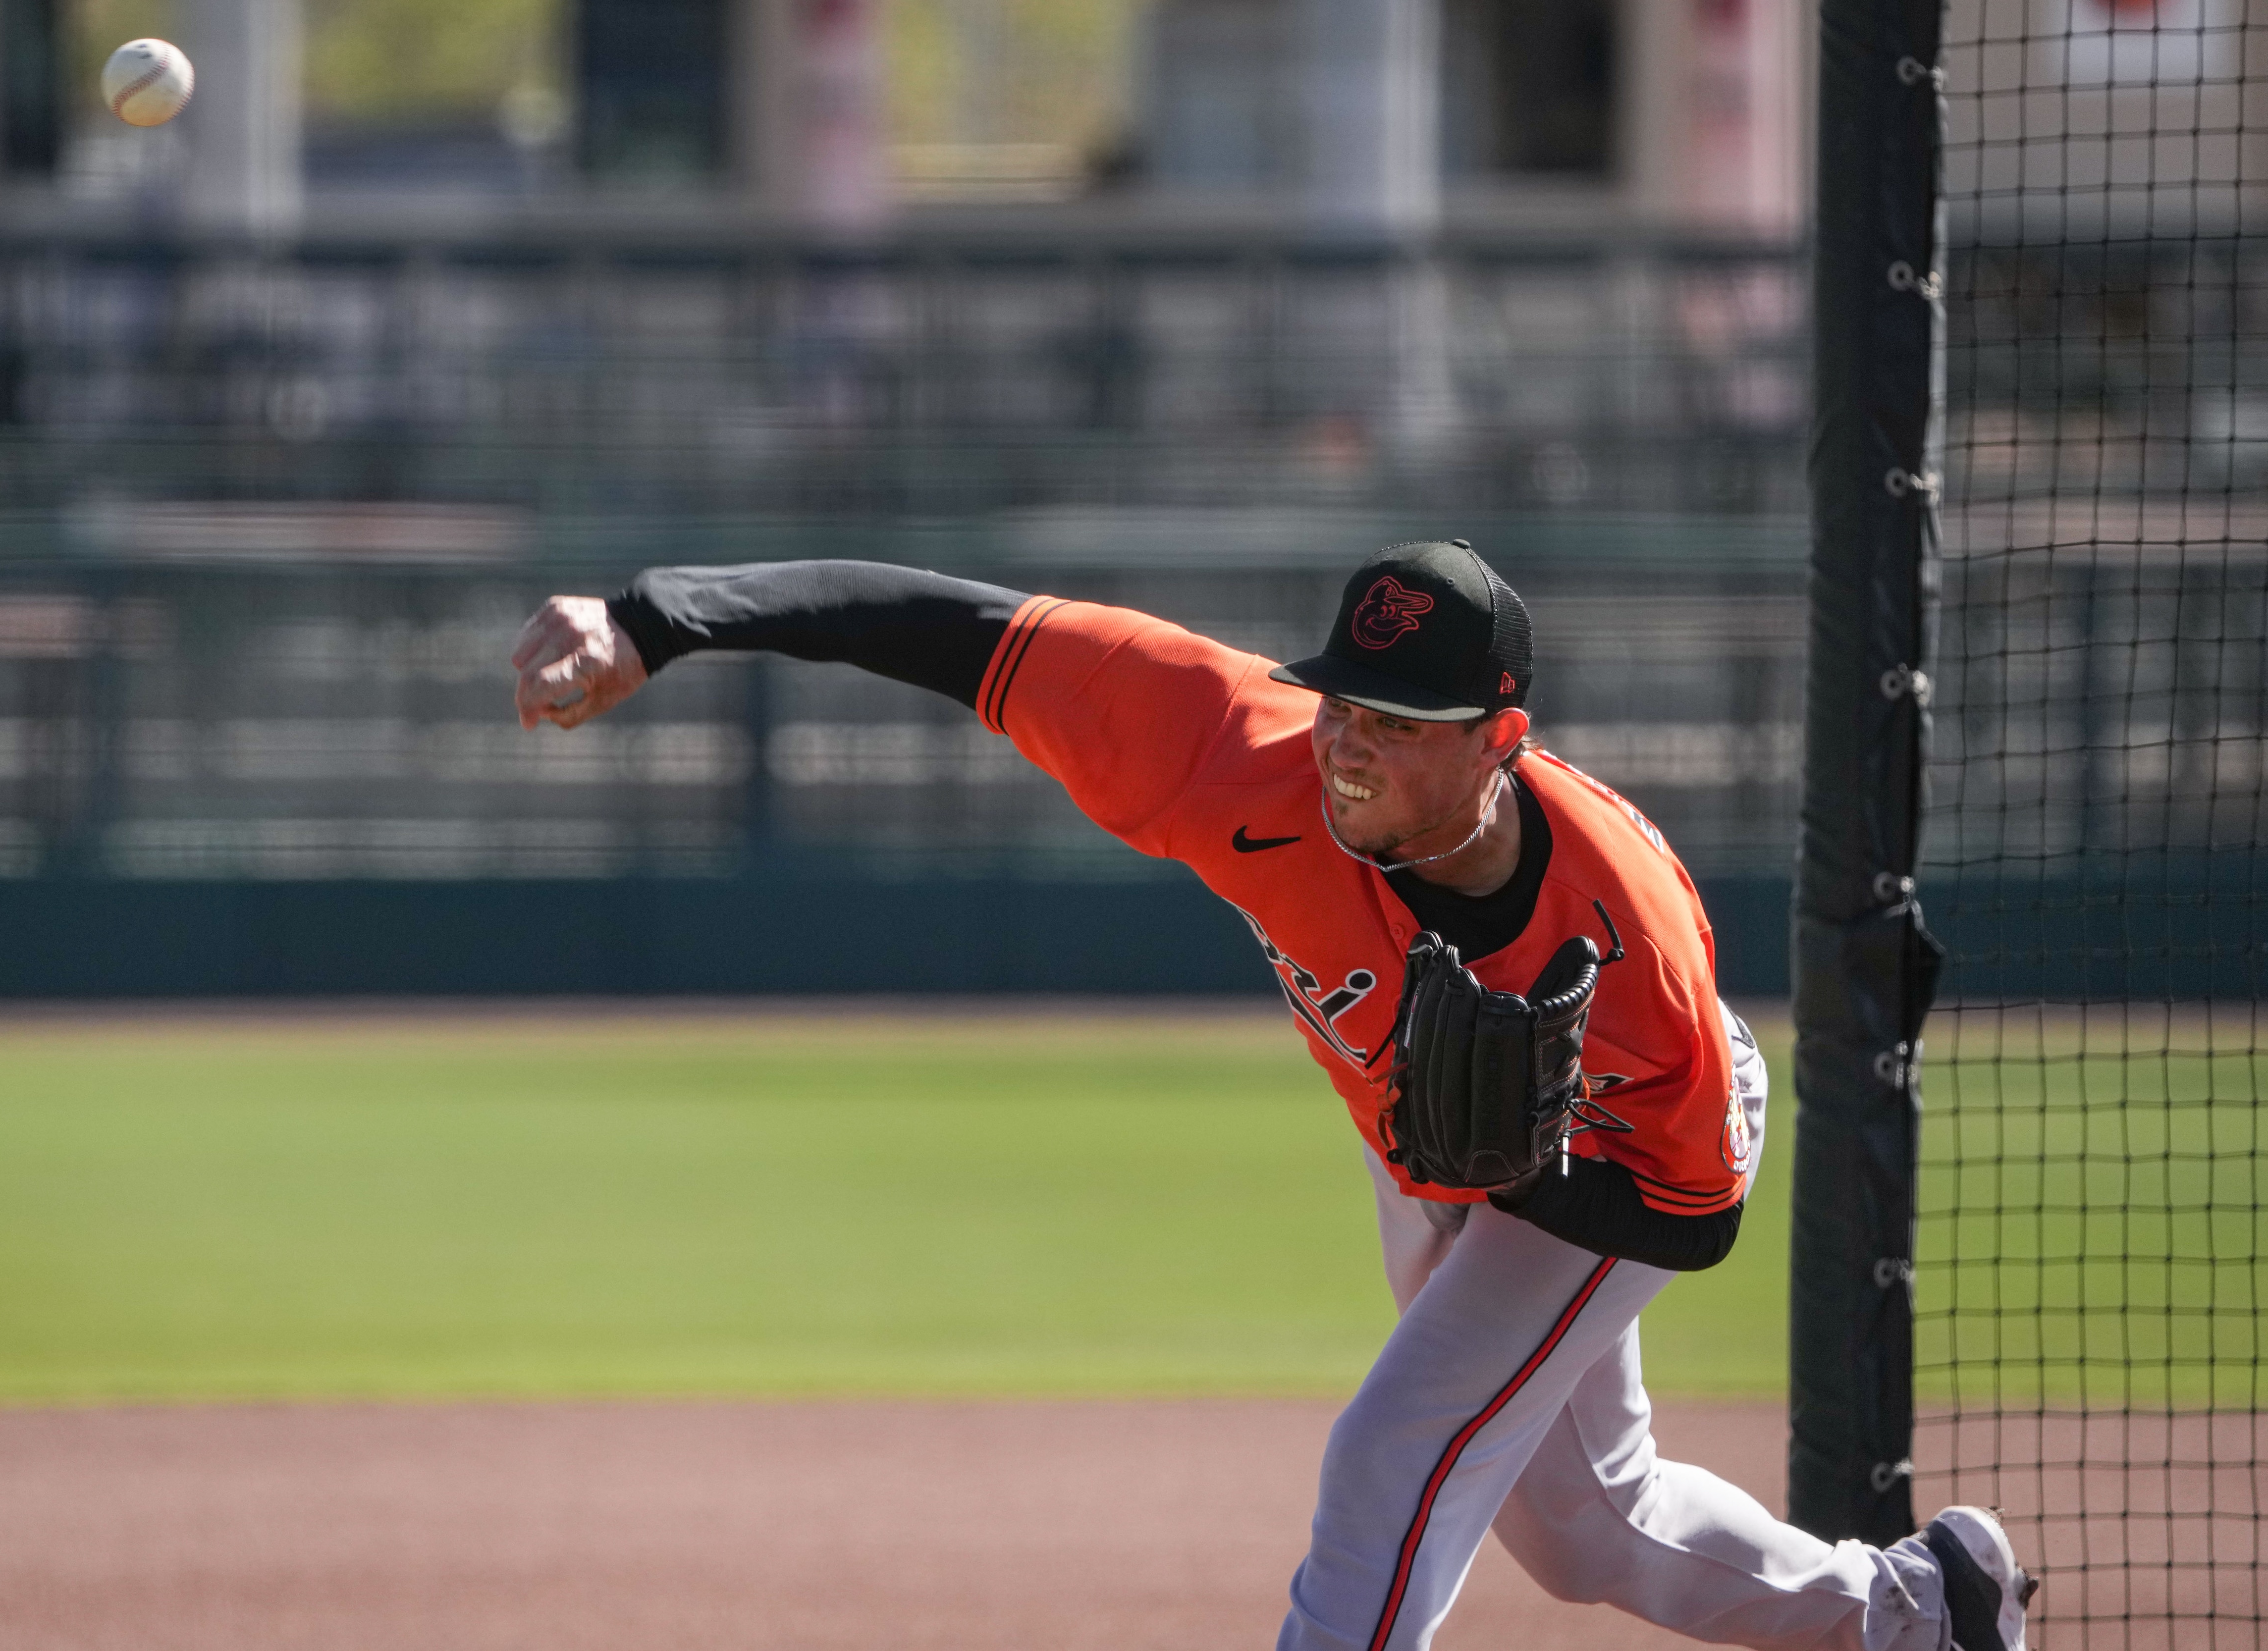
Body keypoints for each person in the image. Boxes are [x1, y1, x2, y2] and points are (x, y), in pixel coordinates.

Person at [509, 542, 2035, 1651]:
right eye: (1343, 701)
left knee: (1394, 1452)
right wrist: (657, 617)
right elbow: (955, 626)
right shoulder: (1241, 748)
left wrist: (1515, 1182)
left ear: (1500, 742)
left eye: (1397, 722)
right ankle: (1925, 1617)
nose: (1349, 743)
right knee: (1585, 1532)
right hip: (1436, 1152)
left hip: (1625, 1152)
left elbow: (1694, 1214)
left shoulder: (1622, 940)